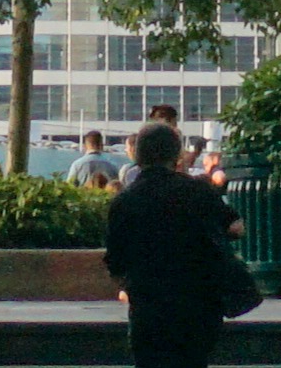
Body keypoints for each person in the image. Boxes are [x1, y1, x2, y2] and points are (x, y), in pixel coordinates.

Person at [106, 117, 254, 368]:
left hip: (149, 307)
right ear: (176, 154)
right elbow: (236, 227)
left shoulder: (125, 201)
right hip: (197, 304)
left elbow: (116, 262)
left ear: (137, 155)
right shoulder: (197, 191)